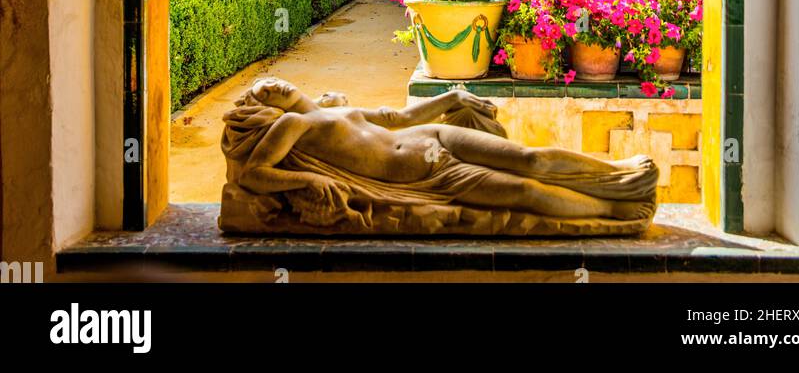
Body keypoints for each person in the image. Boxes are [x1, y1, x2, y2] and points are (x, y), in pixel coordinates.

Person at [220, 76, 658, 236]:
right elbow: (257, 173)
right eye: (263, 91)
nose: (272, 85)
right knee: (523, 190)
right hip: (427, 179)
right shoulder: (291, 126)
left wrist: (451, 96)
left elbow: (397, 116)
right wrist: (309, 181)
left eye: (274, 80)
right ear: (266, 108)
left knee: (531, 160)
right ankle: (616, 210)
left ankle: (618, 173)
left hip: (433, 136)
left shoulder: (336, 108)